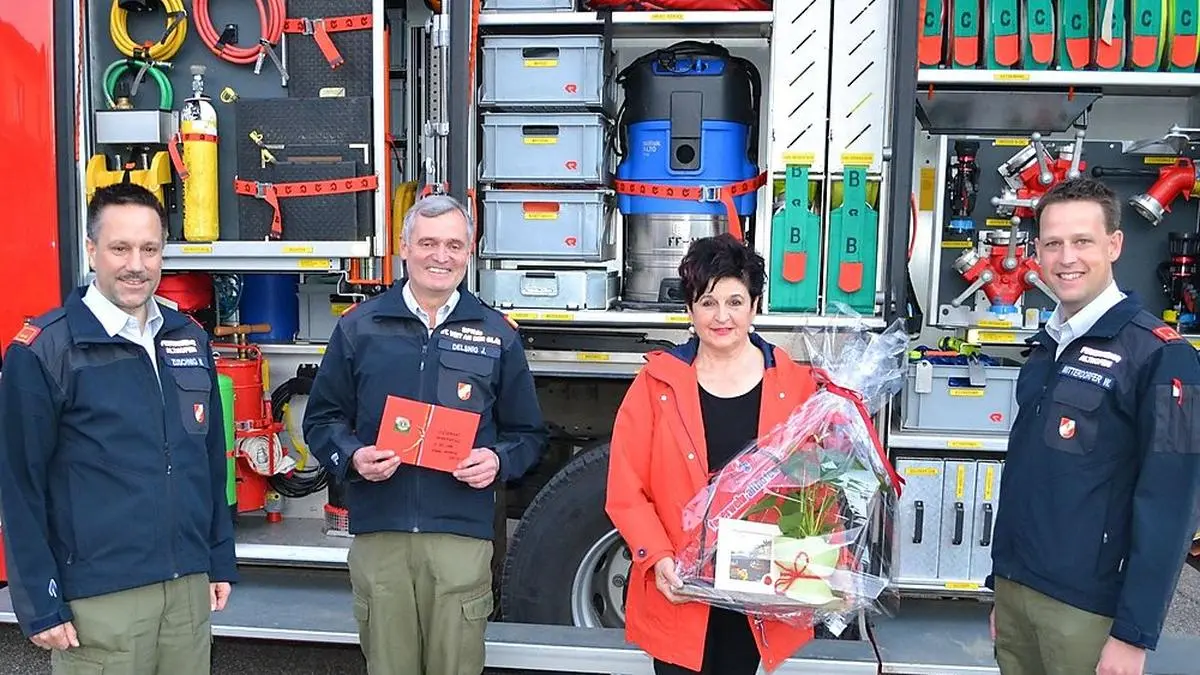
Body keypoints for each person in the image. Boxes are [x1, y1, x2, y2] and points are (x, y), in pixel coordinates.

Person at [302, 194, 548, 675]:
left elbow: (529, 435)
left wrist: (499, 460)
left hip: (460, 539)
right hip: (382, 535)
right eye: (429, 242)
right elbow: (321, 420)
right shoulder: (359, 328)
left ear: (470, 249)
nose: (442, 256)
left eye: (454, 244)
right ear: (404, 246)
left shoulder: (496, 334)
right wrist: (352, 456)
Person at [0, 183, 237, 674]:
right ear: (91, 250)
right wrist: (39, 601)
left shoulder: (188, 339)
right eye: (120, 248)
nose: (137, 264)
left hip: (186, 594)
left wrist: (217, 557)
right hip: (100, 600)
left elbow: (209, 459)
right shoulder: (46, 351)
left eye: (149, 249)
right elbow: (18, 487)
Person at [987, 177, 1200, 675]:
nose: (1067, 258)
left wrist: (1134, 632)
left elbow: (1174, 504)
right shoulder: (1046, 347)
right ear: (1036, 251)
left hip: (1088, 611)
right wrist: (1001, 584)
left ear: (1114, 244)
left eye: (1082, 241)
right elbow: (1025, 476)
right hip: (1019, 593)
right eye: (1053, 243)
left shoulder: (1165, 356)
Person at [604, 233, 821, 675]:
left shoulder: (795, 385)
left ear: (755, 307)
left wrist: (806, 561)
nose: (722, 317)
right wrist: (659, 559)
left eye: (735, 302)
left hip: (758, 588)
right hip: (680, 585)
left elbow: (816, 486)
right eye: (707, 302)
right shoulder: (657, 384)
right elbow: (626, 489)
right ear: (689, 310)